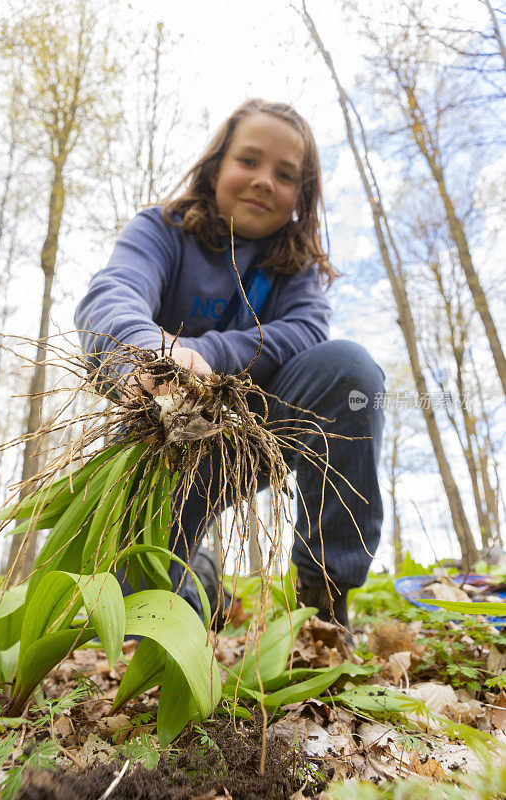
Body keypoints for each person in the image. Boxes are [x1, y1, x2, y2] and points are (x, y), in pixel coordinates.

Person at [75, 98, 385, 633]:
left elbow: (307, 333)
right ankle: (199, 572)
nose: (264, 181)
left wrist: (209, 356)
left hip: (248, 439)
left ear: (300, 198)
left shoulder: (295, 269)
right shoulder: (161, 231)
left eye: (285, 175)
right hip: (159, 446)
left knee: (350, 373)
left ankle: (325, 606)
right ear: (216, 166)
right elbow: (115, 291)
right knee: (152, 619)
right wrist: (148, 353)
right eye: (249, 161)